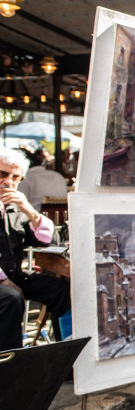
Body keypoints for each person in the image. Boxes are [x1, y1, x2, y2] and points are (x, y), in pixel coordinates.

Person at [0, 147, 72, 350]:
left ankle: (64, 352)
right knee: (11, 299)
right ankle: (11, 361)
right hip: (3, 278)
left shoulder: (13, 207)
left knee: (63, 292)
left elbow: (50, 240)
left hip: (15, 274)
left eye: (16, 177)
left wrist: (30, 211)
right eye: (3, 174)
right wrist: (3, 279)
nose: (8, 182)